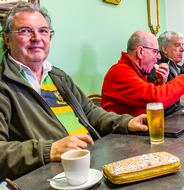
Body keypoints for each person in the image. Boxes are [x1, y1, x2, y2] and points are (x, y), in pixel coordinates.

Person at [0, 3, 147, 180]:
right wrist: (50, 150)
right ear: (6, 39)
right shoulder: (4, 83)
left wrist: (126, 122)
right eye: (25, 31)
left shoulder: (58, 76)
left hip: (95, 161)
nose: (36, 37)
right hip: (56, 175)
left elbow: (90, 112)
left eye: (43, 31)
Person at [101, 30, 184, 117]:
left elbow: (149, 101)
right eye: (155, 52)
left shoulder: (138, 72)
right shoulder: (120, 72)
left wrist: (160, 83)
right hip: (121, 139)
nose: (159, 57)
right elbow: (155, 99)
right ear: (140, 52)